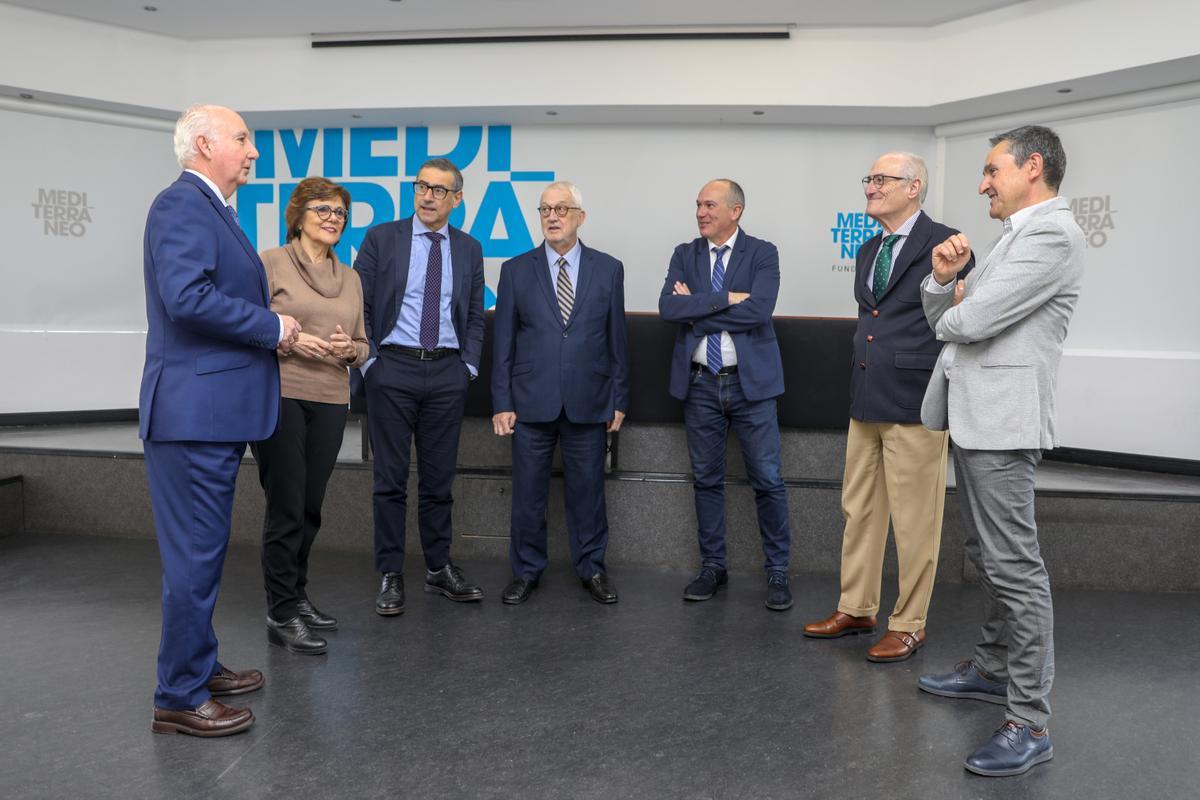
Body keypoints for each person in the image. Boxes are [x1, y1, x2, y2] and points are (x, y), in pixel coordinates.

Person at [916, 125, 1083, 777]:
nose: (983, 183)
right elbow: (951, 309)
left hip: (1004, 421)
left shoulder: (1051, 235)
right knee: (989, 553)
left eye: (992, 170)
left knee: (1015, 566)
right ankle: (991, 669)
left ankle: (1030, 722)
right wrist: (944, 284)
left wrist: (958, 305)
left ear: (1031, 167)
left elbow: (970, 321)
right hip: (979, 414)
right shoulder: (1015, 235)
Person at [141, 104, 300, 737]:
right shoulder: (180, 204)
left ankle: (197, 667)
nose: (253, 151)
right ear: (203, 144)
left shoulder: (214, 209)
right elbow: (186, 299)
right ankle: (178, 696)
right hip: (193, 417)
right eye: (242, 139)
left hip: (210, 414)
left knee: (201, 555)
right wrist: (273, 327)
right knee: (194, 559)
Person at [803, 153, 972, 662]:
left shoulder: (948, 243)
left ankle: (910, 623)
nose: (871, 187)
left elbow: (961, 316)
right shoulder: (869, 247)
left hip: (916, 400)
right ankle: (857, 606)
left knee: (916, 520)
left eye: (883, 179)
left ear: (913, 187)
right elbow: (872, 319)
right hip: (865, 396)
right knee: (859, 510)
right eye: (869, 178)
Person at [354, 157, 486, 615]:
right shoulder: (381, 239)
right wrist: (370, 361)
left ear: (457, 199)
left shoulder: (469, 248)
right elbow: (360, 304)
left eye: (438, 190)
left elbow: (473, 315)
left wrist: (467, 366)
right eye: (421, 187)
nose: (427, 196)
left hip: (447, 374)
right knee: (389, 480)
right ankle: (390, 573)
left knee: (438, 481)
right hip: (392, 370)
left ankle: (437, 568)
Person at [491, 181, 630, 605]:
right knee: (528, 495)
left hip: (589, 400)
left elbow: (616, 339)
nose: (552, 217)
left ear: (580, 217)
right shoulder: (516, 270)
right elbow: (504, 344)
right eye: (545, 209)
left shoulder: (609, 268)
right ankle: (526, 572)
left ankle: (592, 569)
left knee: (588, 493)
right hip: (531, 401)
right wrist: (502, 402)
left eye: (562, 209)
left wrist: (619, 398)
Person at [659, 179, 792, 611]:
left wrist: (698, 306)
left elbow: (759, 310)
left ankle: (777, 571)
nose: (700, 212)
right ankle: (713, 567)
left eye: (710, 205)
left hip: (750, 385)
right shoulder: (685, 254)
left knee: (768, 480)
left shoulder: (762, 252)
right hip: (700, 383)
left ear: (735, 211)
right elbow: (667, 308)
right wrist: (723, 299)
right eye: (698, 204)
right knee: (706, 480)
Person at [250, 177, 369, 654]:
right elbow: (250, 324)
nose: (332, 218)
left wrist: (349, 350)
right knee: (286, 504)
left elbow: (362, 345)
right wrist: (290, 338)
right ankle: (280, 611)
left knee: (311, 506)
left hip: (331, 396)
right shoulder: (269, 263)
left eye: (340, 212)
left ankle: (296, 596)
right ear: (298, 215)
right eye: (322, 210)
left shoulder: (353, 277)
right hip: (280, 393)